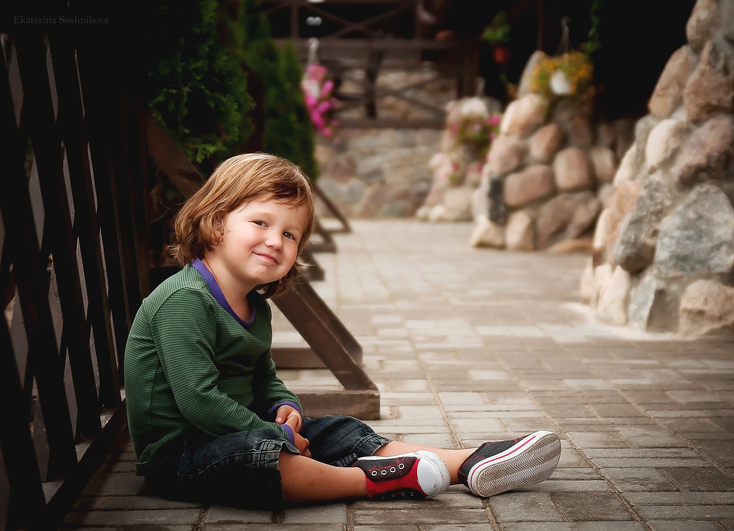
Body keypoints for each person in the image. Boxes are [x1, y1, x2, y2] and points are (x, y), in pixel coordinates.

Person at [125, 153, 561, 509]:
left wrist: (283, 406)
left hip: (245, 429)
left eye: (290, 234)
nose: (276, 241)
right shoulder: (184, 301)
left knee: (339, 430)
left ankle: (466, 463)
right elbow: (199, 400)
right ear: (217, 221)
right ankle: (375, 480)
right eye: (261, 223)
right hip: (182, 456)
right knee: (268, 458)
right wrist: (275, 435)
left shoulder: (255, 306)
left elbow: (263, 376)